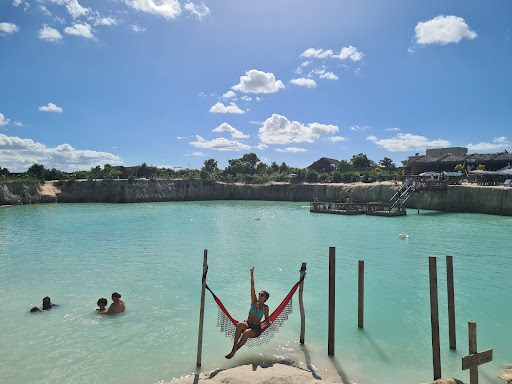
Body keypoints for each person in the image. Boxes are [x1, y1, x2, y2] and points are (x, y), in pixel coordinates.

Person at [225, 267, 269, 359]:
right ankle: (234, 346)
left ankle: (234, 351)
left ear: (265, 299)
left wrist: (270, 323)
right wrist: (252, 275)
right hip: (247, 323)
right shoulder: (254, 302)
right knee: (240, 324)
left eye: (262, 295)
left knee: (246, 333)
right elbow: (252, 287)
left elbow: (267, 320)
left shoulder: (265, 308)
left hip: (255, 328)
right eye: (259, 294)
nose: (260, 296)